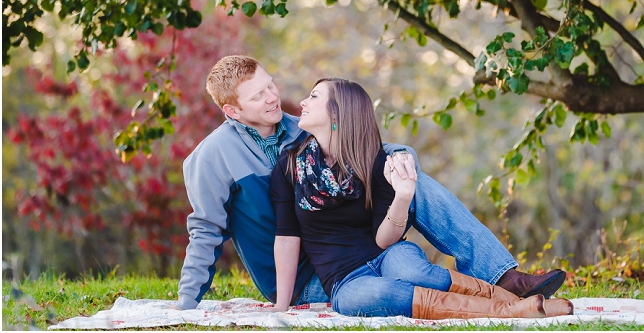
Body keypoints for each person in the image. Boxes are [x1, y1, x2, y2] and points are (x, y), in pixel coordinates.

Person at [175, 55, 565, 310]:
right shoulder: (211, 157)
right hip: (306, 278)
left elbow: (360, 142)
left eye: (270, 84)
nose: (274, 97)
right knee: (390, 283)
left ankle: (505, 278)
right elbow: (205, 230)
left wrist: (399, 158)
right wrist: (186, 305)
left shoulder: (301, 129)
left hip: (362, 248)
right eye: (258, 96)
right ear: (232, 110)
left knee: (413, 182)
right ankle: (493, 305)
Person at [270, 77, 573, 319]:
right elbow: (286, 238)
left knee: (415, 272)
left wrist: (403, 196)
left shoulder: (375, 162)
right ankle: (513, 309)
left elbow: (384, 241)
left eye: (313, 97)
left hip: (385, 254)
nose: (302, 102)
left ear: (337, 113)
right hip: (344, 280)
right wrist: (282, 306)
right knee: (379, 296)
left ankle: (514, 300)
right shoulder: (289, 167)